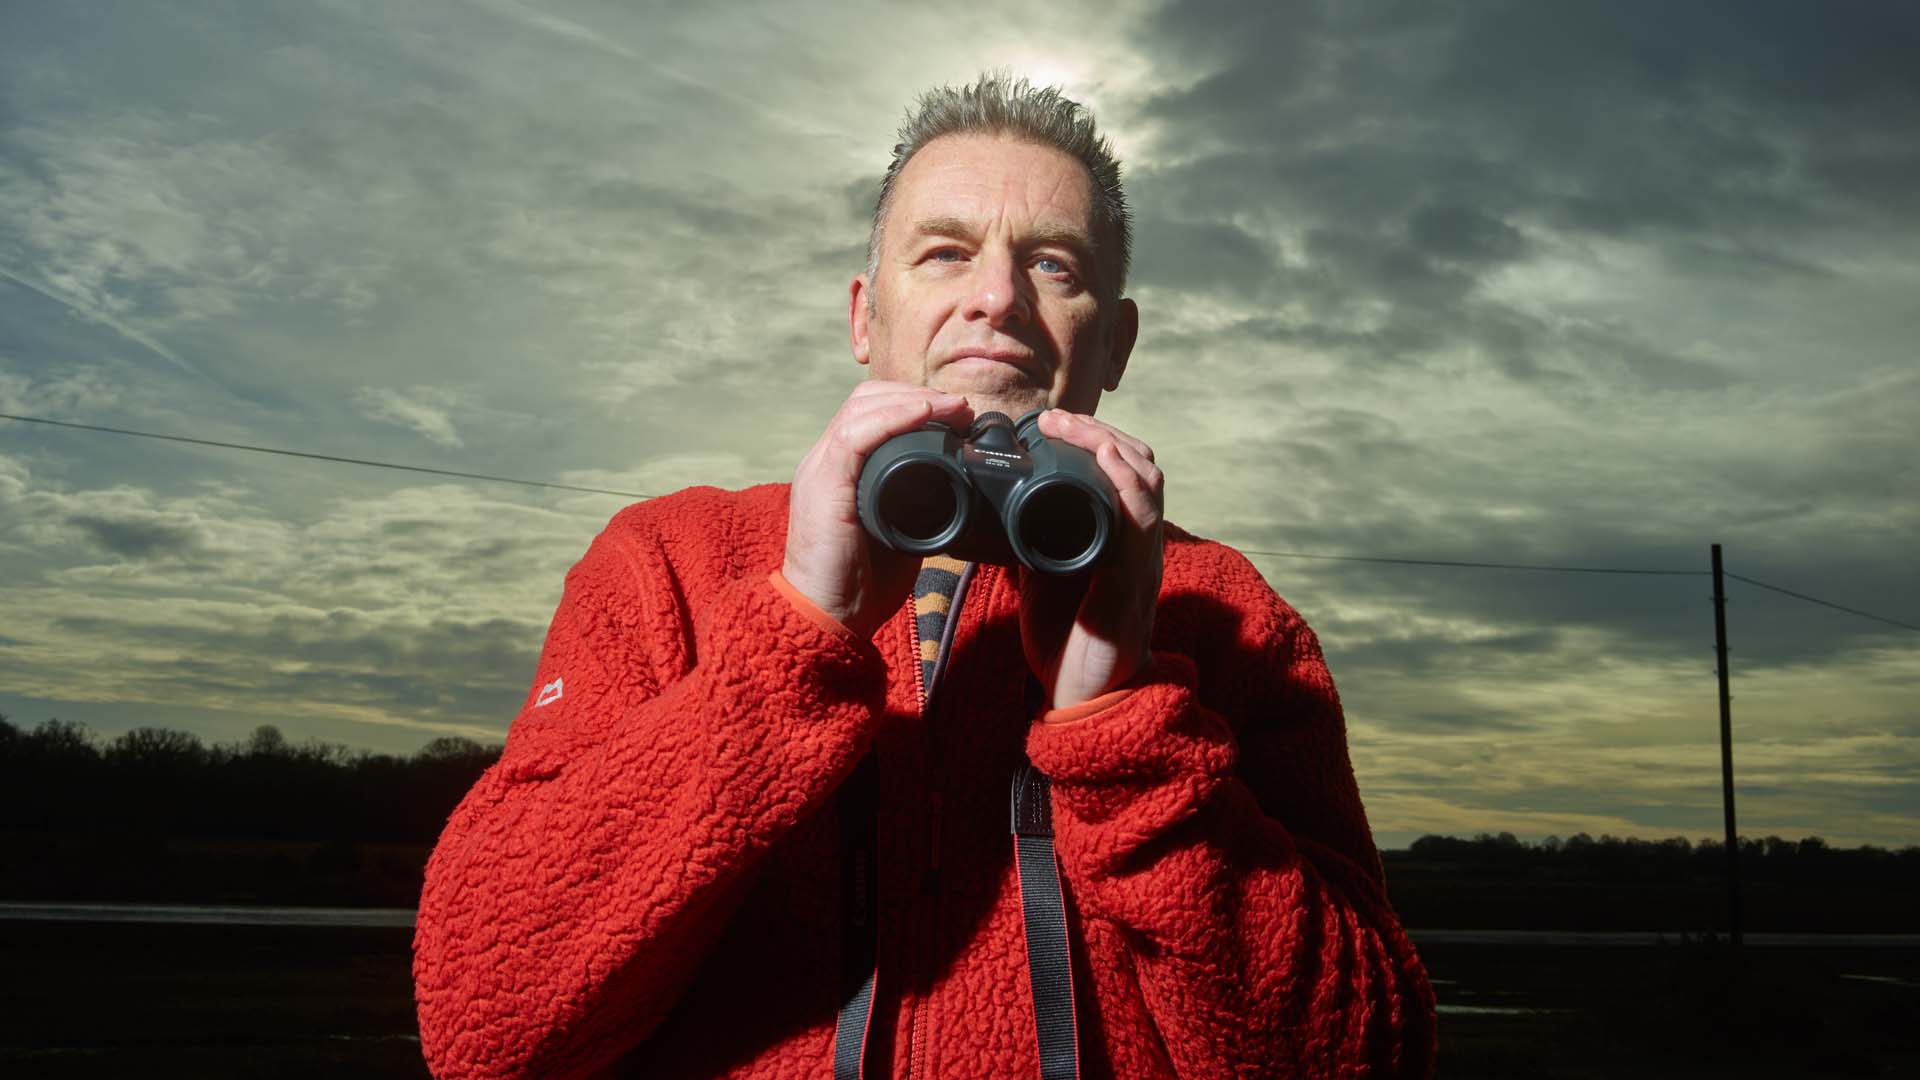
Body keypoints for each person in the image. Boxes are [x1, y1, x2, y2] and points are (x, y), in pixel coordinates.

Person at [413, 74, 1437, 1079]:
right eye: (946, 253)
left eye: (1055, 267)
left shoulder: (1228, 615)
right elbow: (484, 1022)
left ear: (1115, 343)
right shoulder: (669, 563)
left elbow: (1363, 1054)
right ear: (864, 316)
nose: (995, 298)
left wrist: (1123, 729)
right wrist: (795, 634)